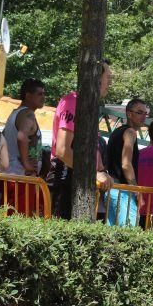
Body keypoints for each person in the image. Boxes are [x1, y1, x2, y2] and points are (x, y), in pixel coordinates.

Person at [48, 61, 114, 219]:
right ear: (97, 79)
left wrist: (102, 172)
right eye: (108, 78)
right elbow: (63, 151)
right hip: (65, 178)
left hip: (80, 180)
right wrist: (93, 174)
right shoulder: (72, 102)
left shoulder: (89, 106)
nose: (109, 84)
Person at [3, 78, 46, 214]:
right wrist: (27, 164)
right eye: (39, 94)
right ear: (28, 95)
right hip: (21, 179)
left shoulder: (14, 113)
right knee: (19, 221)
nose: (43, 97)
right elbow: (22, 137)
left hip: (10, 176)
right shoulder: (28, 114)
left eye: (44, 94)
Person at [106, 98, 149, 226]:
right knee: (129, 237)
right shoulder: (130, 132)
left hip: (112, 190)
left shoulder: (115, 133)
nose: (144, 116)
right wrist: (136, 191)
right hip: (123, 192)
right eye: (140, 112)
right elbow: (126, 164)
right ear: (129, 114)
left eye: (145, 113)